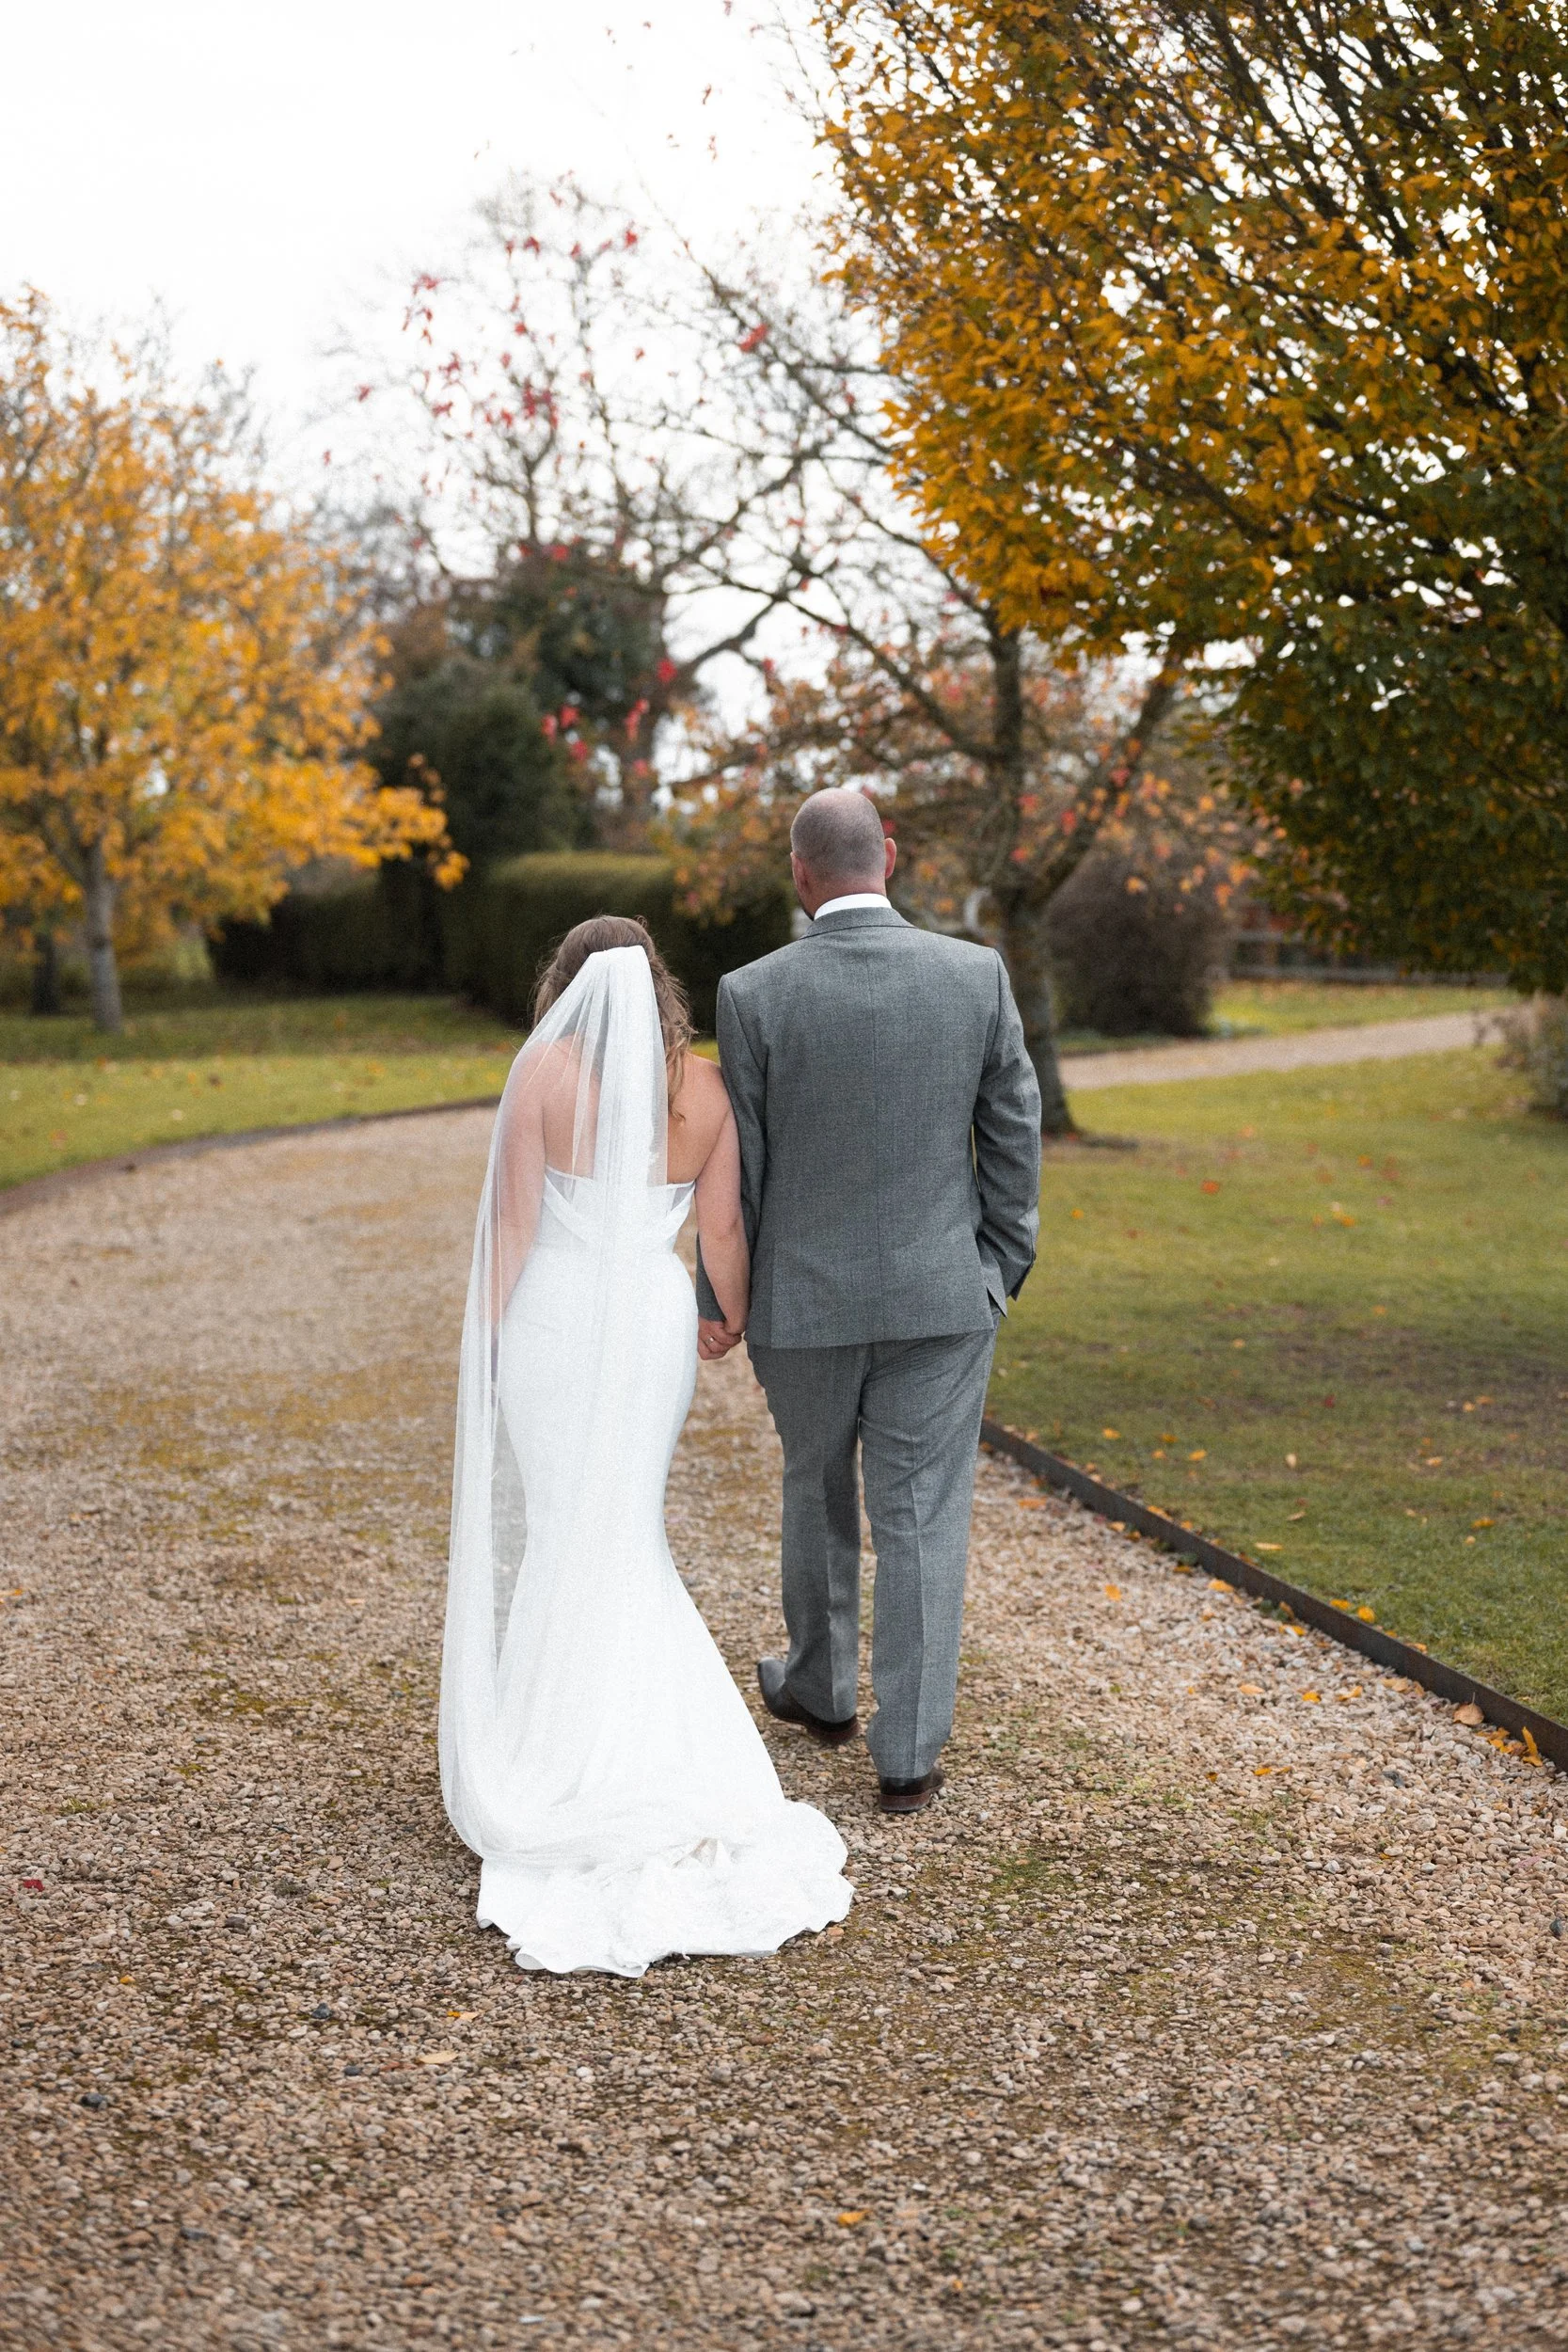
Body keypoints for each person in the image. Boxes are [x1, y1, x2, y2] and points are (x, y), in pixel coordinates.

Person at [439, 916, 852, 1977]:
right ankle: (652, 1747)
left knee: (567, 1526)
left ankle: (557, 1747)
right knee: (624, 1523)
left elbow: (516, 1229)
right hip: (649, 1327)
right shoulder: (701, 1091)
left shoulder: (540, 1076)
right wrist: (729, 1314)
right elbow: (720, 1233)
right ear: (658, 986)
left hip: (554, 1323)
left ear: (566, 987)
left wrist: (481, 1345)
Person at [697, 788, 1042, 1814]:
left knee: (813, 1485)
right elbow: (1014, 1136)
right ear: (886, 856)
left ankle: (821, 1687)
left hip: (801, 1305)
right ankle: (908, 1756)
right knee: (923, 1518)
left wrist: (723, 1294)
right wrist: (996, 1270)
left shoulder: (750, 993)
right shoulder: (972, 974)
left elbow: (741, 1169)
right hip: (943, 1298)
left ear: (799, 874)